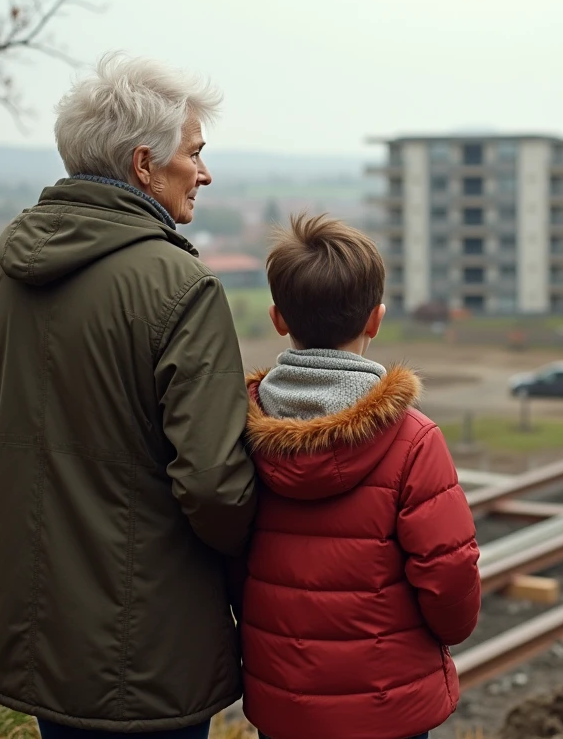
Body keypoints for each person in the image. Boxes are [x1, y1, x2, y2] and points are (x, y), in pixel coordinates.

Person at [0, 53, 257, 738]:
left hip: (39, 636)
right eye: (195, 153)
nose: (205, 171)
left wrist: (40, 533)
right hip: (158, 645)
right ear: (143, 164)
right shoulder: (182, 290)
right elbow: (216, 485)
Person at [239, 213, 481, 739]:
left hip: (285, 704)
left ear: (279, 318)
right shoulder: (413, 439)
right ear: (377, 319)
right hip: (389, 707)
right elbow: (449, 574)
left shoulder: (239, 428)